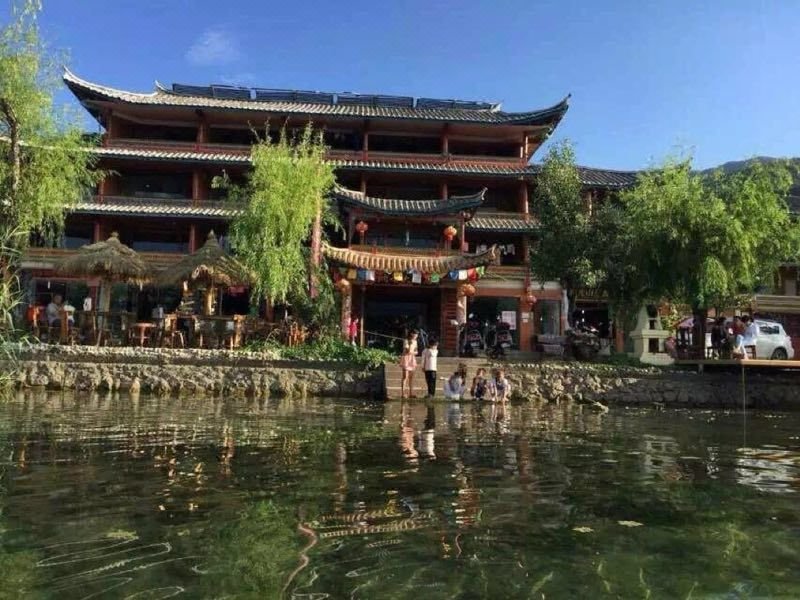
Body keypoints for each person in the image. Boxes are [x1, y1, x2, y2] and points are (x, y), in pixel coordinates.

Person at [399, 330, 419, 399]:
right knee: (405, 377)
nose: (417, 336)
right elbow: (408, 351)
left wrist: (413, 352)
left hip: (412, 359)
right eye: (416, 334)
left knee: (411, 377)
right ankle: (403, 393)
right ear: (412, 334)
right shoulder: (406, 341)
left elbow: (416, 351)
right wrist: (410, 344)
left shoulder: (415, 342)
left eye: (417, 335)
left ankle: (411, 393)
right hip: (406, 359)